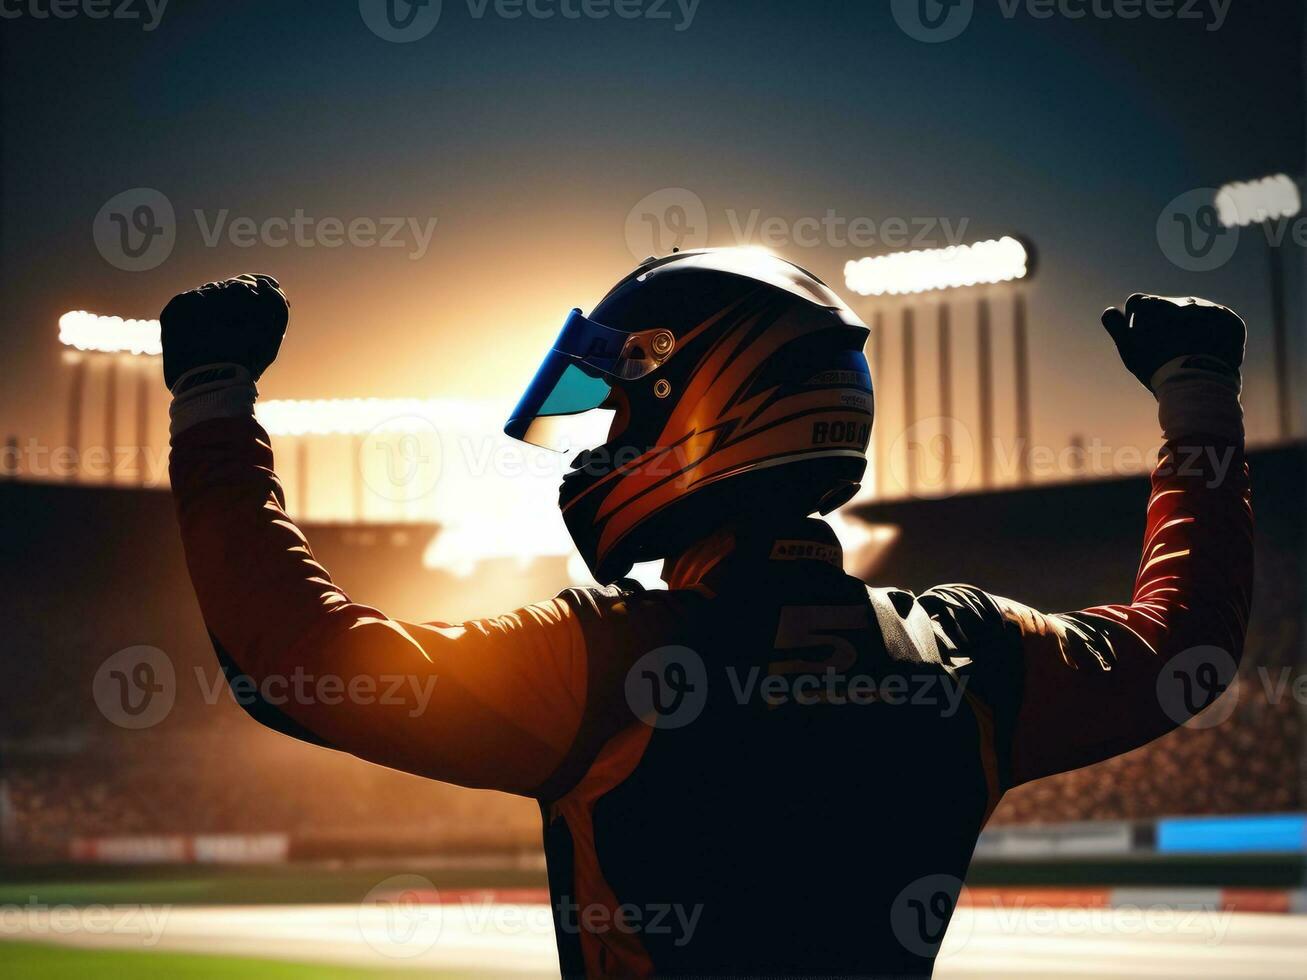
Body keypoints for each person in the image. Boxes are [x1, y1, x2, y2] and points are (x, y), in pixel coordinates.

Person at [163, 250, 1252, 977]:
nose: (598, 447)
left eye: (619, 412)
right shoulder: (968, 649)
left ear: (704, 408)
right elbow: (1184, 644)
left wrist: (215, 400)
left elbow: (296, 660)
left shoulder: (606, 657)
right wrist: (1193, 391)